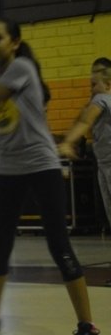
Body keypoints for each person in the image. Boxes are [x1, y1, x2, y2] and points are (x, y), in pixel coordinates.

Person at [0, 17, 99, 335]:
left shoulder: (22, 68)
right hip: (10, 173)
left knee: (59, 246)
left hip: (42, 168)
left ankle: (88, 327)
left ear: (14, 42)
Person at [56, 65, 111, 285]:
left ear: (108, 84)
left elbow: (85, 121)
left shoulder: (102, 100)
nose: (91, 89)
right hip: (104, 164)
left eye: (94, 84)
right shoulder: (99, 101)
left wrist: (68, 141)